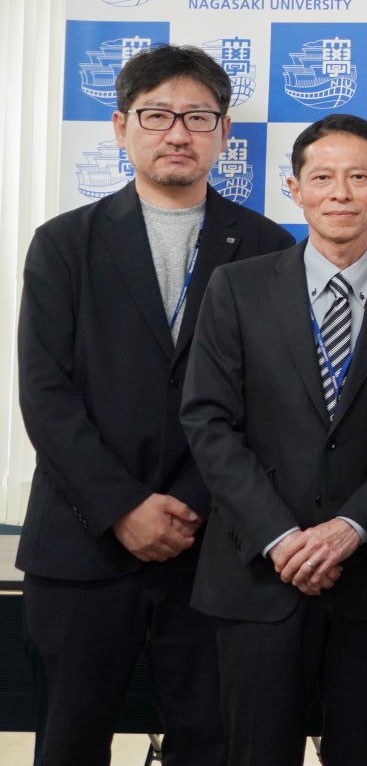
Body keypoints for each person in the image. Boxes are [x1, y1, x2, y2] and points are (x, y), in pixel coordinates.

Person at [17, 44, 294, 766]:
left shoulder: (267, 248)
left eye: (198, 117)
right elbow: (45, 394)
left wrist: (194, 502)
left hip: (215, 546)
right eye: (157, 115)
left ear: (224, 134)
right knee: (68, 743)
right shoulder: (64, 244)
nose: (178, 133)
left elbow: (272, 406)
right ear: (121, 126)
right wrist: (123, 508)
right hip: (82, 544)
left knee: (211, 743)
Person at [181, 113, 367, 766]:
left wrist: (351, 528)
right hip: (258, 573)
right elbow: (209, 421)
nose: (341, 193)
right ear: (295, 188)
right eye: (322, 177)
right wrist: (280, 536)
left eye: (359, 177)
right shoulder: (238, 287)